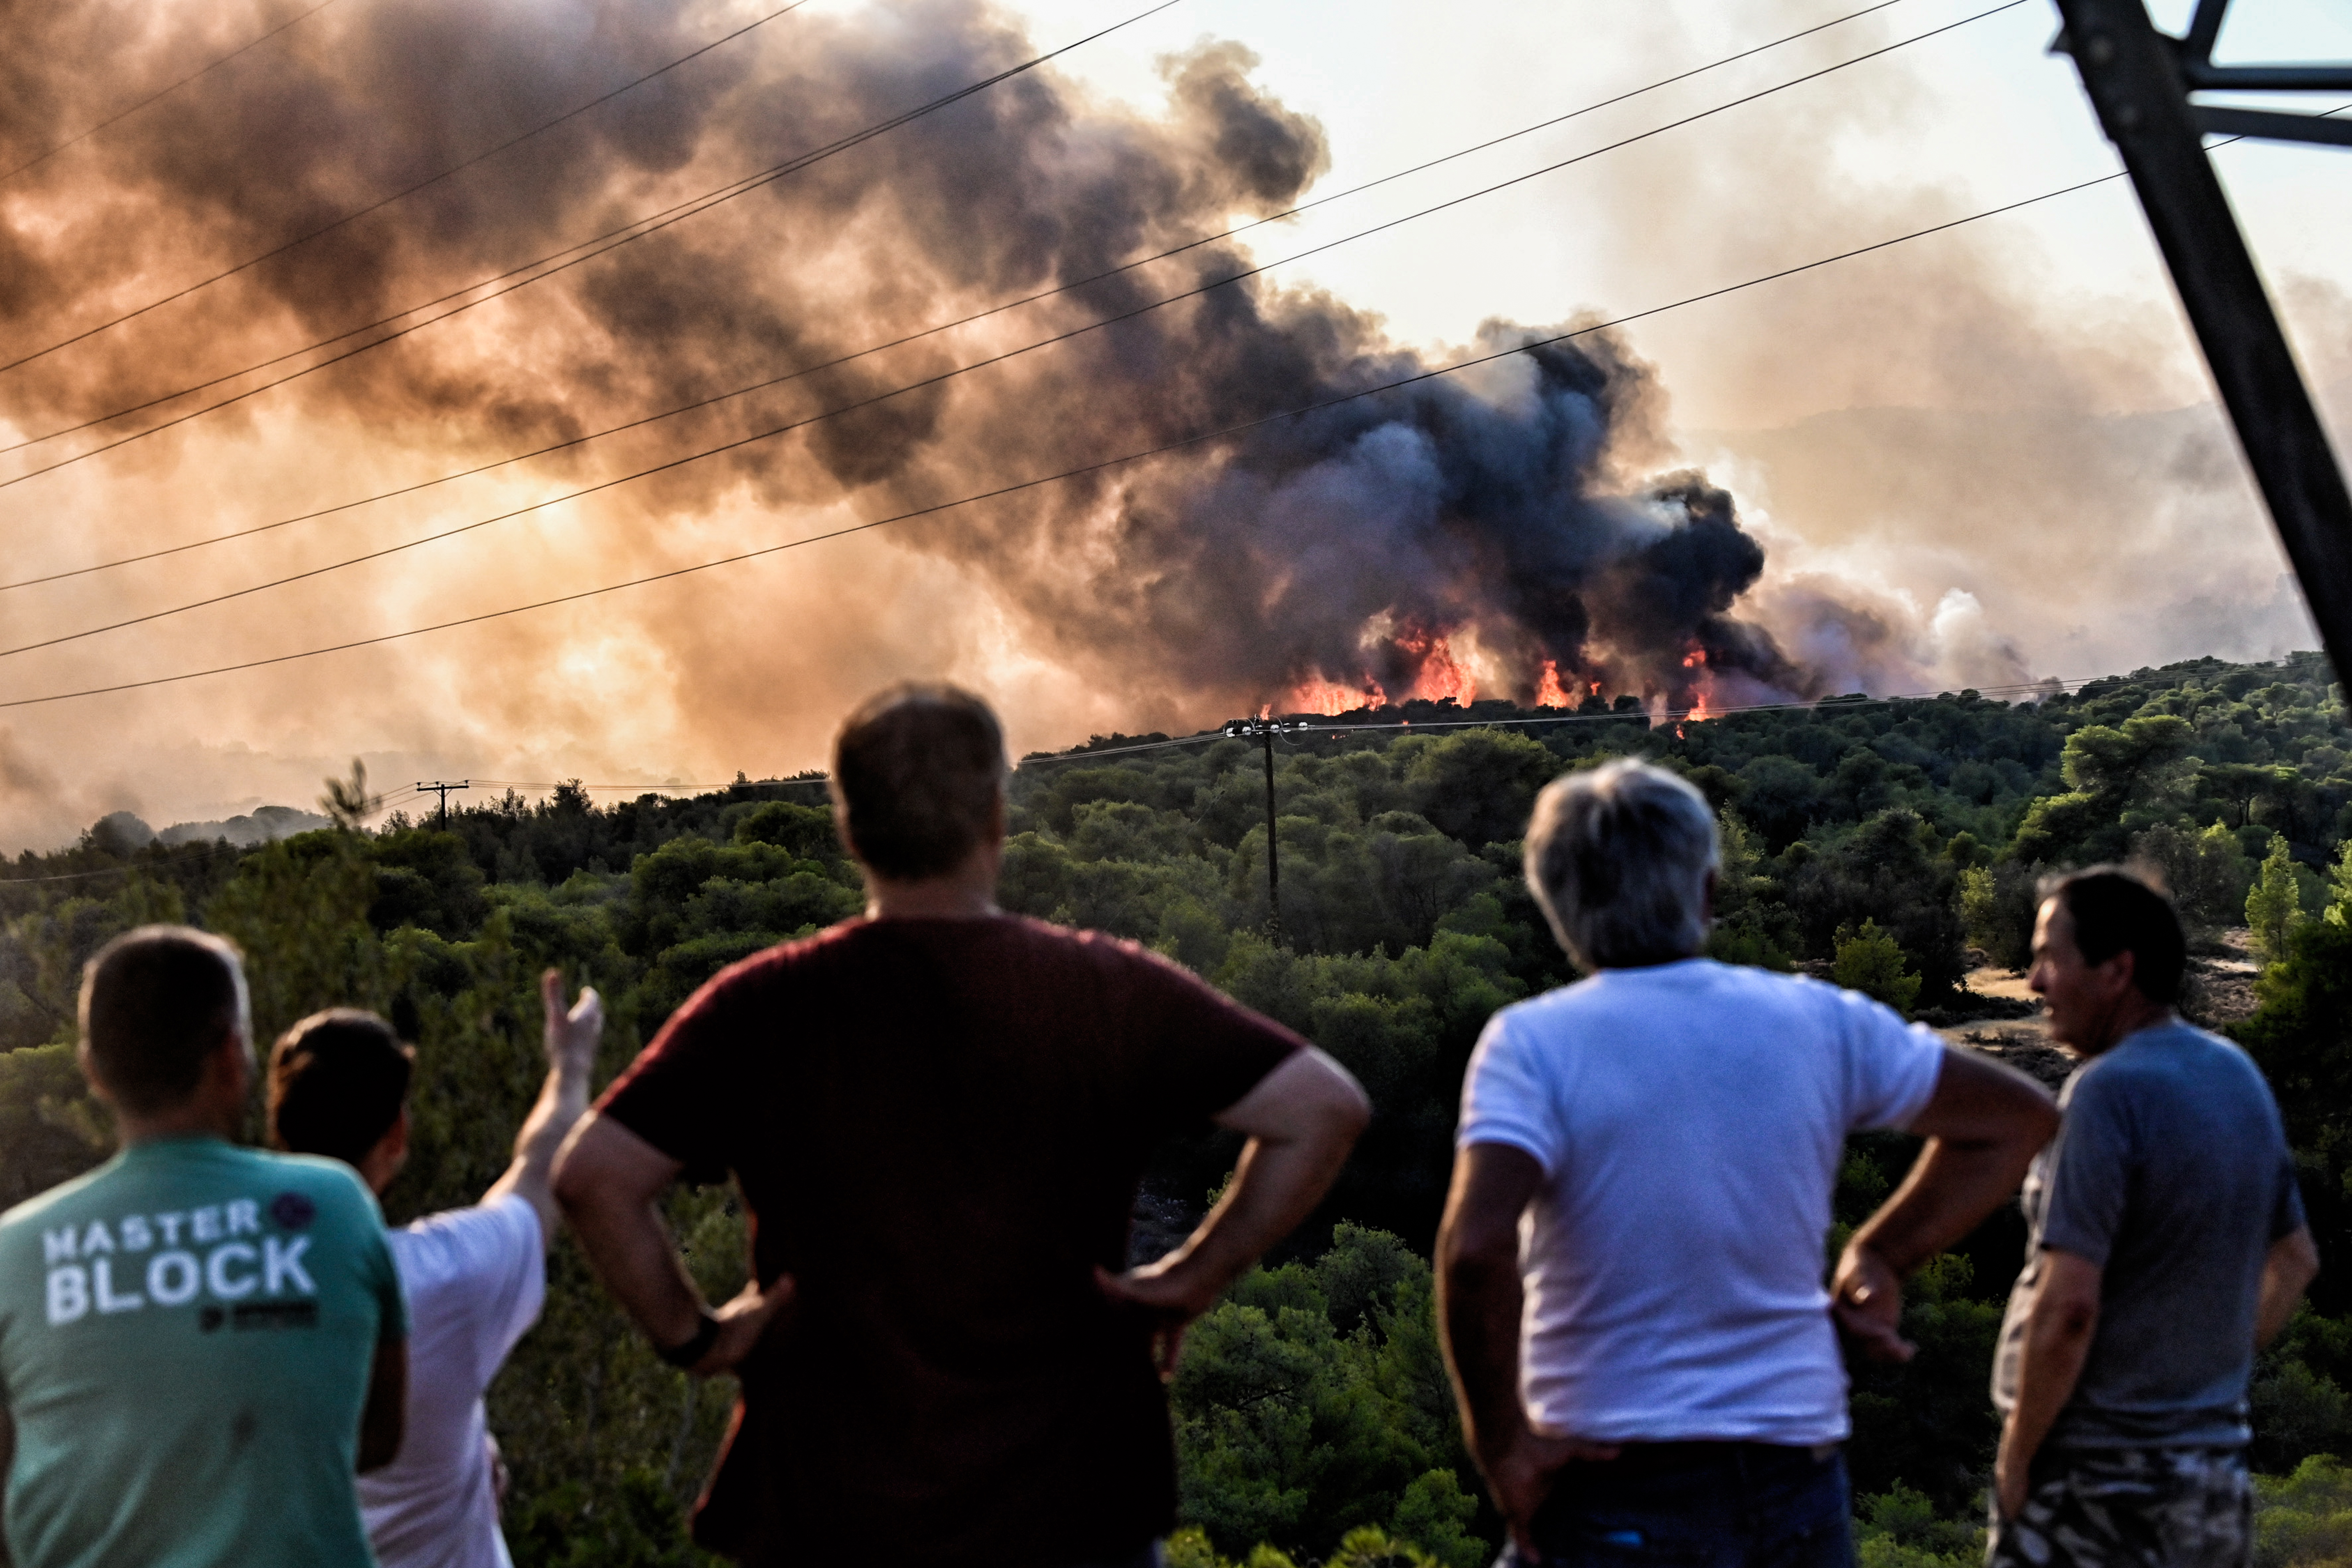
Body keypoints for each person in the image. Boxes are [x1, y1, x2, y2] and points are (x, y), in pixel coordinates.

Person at [552, 682, 1370, 1568]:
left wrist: (696, 1335)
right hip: (1071, 1506)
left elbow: (592, 1175)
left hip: (833, 1507)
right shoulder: (1100, 988)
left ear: (848, 828)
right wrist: (1193, 1278)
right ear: (995, 817)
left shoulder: (766, 1004)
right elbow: (1322, 1106)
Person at [1436, 759, 2060, 1568]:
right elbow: (2018, 1118)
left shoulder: (1531, 1044)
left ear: (1558, 903)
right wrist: (1882, 1252)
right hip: (1792, 1481)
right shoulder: (1816, 1018)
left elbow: (1476, 1249)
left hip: (1612, 1476)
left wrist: (1503, 1449)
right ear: (1707, 889)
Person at [0, 926, 407, 1568]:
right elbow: (378, 1434)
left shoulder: (14, 1252)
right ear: (230, 1054)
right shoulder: (339, 1203)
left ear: (93, 1072)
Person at [1989, 868, 2318, 1568]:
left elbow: (2068, 1307)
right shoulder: (2236, 1076)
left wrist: (2016, 1462)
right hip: (2210, 1486)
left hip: (2093, 1486)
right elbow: (2295, 1261)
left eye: (2050, 956)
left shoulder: (2106, 1092)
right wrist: (2198, 1388)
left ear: (2117, 971)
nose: (2033, 981)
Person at [267, 969, 602, 1568]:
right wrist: (571, 1062)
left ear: (278, 1129)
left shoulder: (224, 1289)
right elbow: (544, 1161)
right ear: (396, 1134)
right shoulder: (451, 1278)